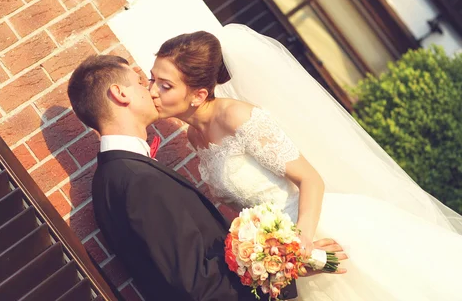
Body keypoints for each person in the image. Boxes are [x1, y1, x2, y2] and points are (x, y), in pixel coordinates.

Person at [148, 26, 462, 301]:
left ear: (198, 94)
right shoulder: (194, 136)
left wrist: (300, 246)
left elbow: (311, 179)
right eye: (152, 80)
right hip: (282, 254)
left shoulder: (236, 116)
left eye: (165, 85)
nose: (153, 92)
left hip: (316, 228)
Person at [68, 55, 335, 300]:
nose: (150, 90)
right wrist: (282, 271)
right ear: (120, 93)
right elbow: (200, 286)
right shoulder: (137, 180)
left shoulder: (110, 179)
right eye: (141, 81)